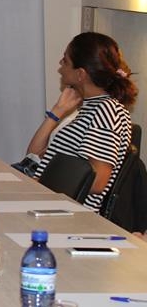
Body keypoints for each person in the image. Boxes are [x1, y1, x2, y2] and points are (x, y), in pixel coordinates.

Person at [29, 32, 137, 211]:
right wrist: (57, 111)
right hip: (53, 207)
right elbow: (33, 157)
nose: (60, 65)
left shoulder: (107, 111)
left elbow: (97, 182)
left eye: (65, 61)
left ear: (80, 74)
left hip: (67, 214)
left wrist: (41, 182)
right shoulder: (91, 108)